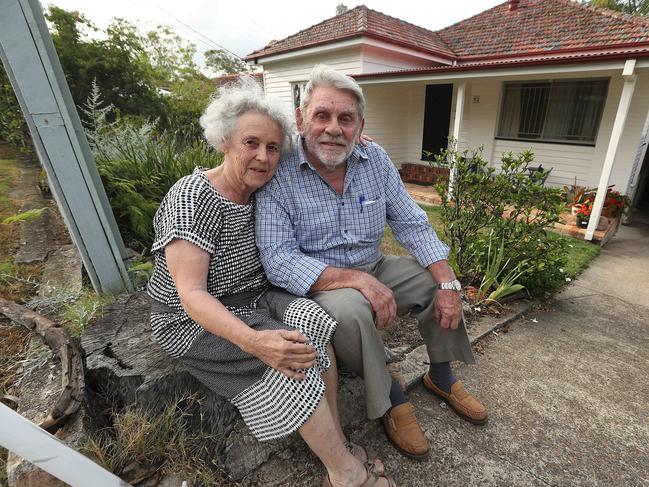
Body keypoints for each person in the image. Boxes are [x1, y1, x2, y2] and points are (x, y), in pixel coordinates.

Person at [146, 77, 396, 487]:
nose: (263, 157)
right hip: (193, 319)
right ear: (224, 141)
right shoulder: (194, 197)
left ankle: (334, 441)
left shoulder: (257, 192)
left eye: (273, 147)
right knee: (288, 361)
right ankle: (346, 473)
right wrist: (255, 341)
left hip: (255, 299)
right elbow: (190, 295)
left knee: (316, 322)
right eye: (251, 143)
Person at [256, 65, 487, 461]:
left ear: (360, 125)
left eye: (346, 118)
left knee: (433, 285)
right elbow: (278, 260)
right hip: (322, 282)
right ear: (300, 119)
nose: (333, 128)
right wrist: (358, 282)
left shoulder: (374, 159)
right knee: (353, 313)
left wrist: (448, 283)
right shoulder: (281, 170)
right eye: (322, 115)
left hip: (373, 264)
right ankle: (392, 400)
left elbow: (411, 222)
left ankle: (441, 375)